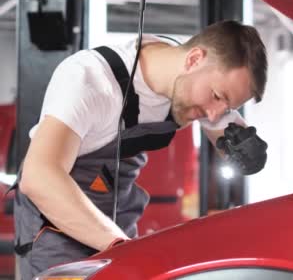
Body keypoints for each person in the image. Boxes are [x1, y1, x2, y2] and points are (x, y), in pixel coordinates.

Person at [11, 20, 268, 279]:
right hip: (56, 225)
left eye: (226, 106)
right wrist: (118, 246)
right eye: (217, 96)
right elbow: (39, 176)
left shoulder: (189, 77)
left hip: (116, 218)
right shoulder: (91, 80)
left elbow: (223, 125)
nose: (214, 116)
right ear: (194, 59)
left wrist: (246, 149)